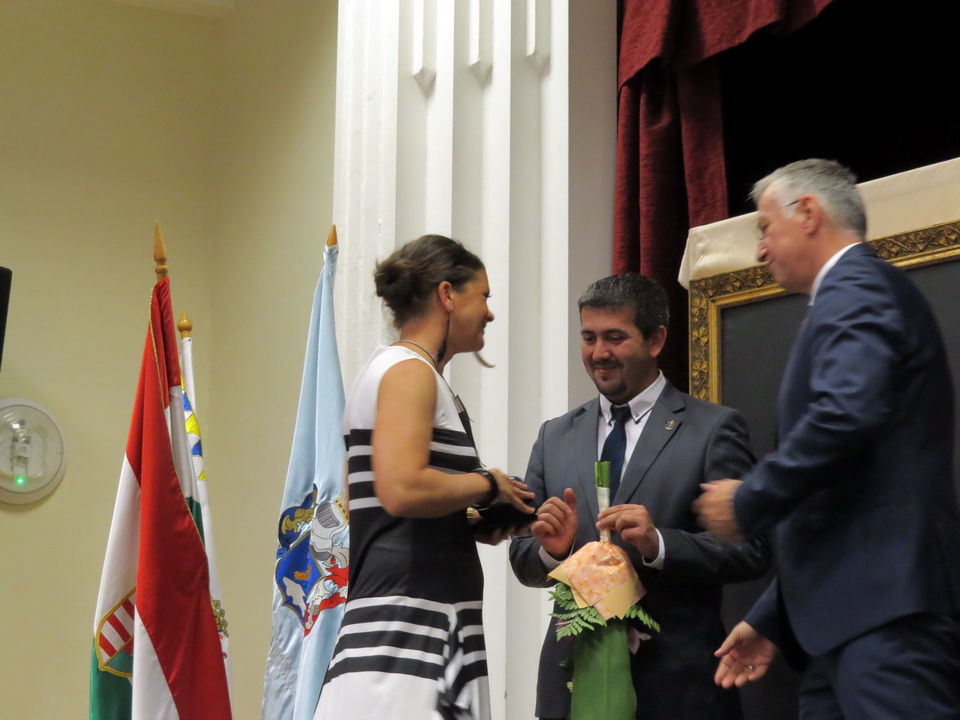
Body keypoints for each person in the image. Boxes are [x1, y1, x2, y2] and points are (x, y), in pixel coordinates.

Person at [695, 159, 960, 719]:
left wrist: (748, 498)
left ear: (809, 213)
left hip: (884, 615)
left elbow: (845, 416)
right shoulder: (850, 294)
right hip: (843, 623)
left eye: (765, 228)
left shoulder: (858, 286)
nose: (760, 250)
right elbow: (843, 497)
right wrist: (772, 617)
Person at [509, 273, 772, 720]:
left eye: (615, 337)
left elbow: (752, 552)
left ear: (656, 340)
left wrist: (659, 544)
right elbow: (522, 559)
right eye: (588, 338)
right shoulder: (554, 435)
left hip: (677, 691)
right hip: (572, 686)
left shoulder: (713, 429)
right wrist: (553, 552)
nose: (598, 353)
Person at [316, 234, 534, 720]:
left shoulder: (401, 371)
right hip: (406, 635)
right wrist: (490, 485)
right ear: (447, 295)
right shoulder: (409, 371)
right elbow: (401, 489)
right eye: (484, 296)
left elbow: (373, 501)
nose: (489, 313)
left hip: (423, 622)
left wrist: (480, 520)